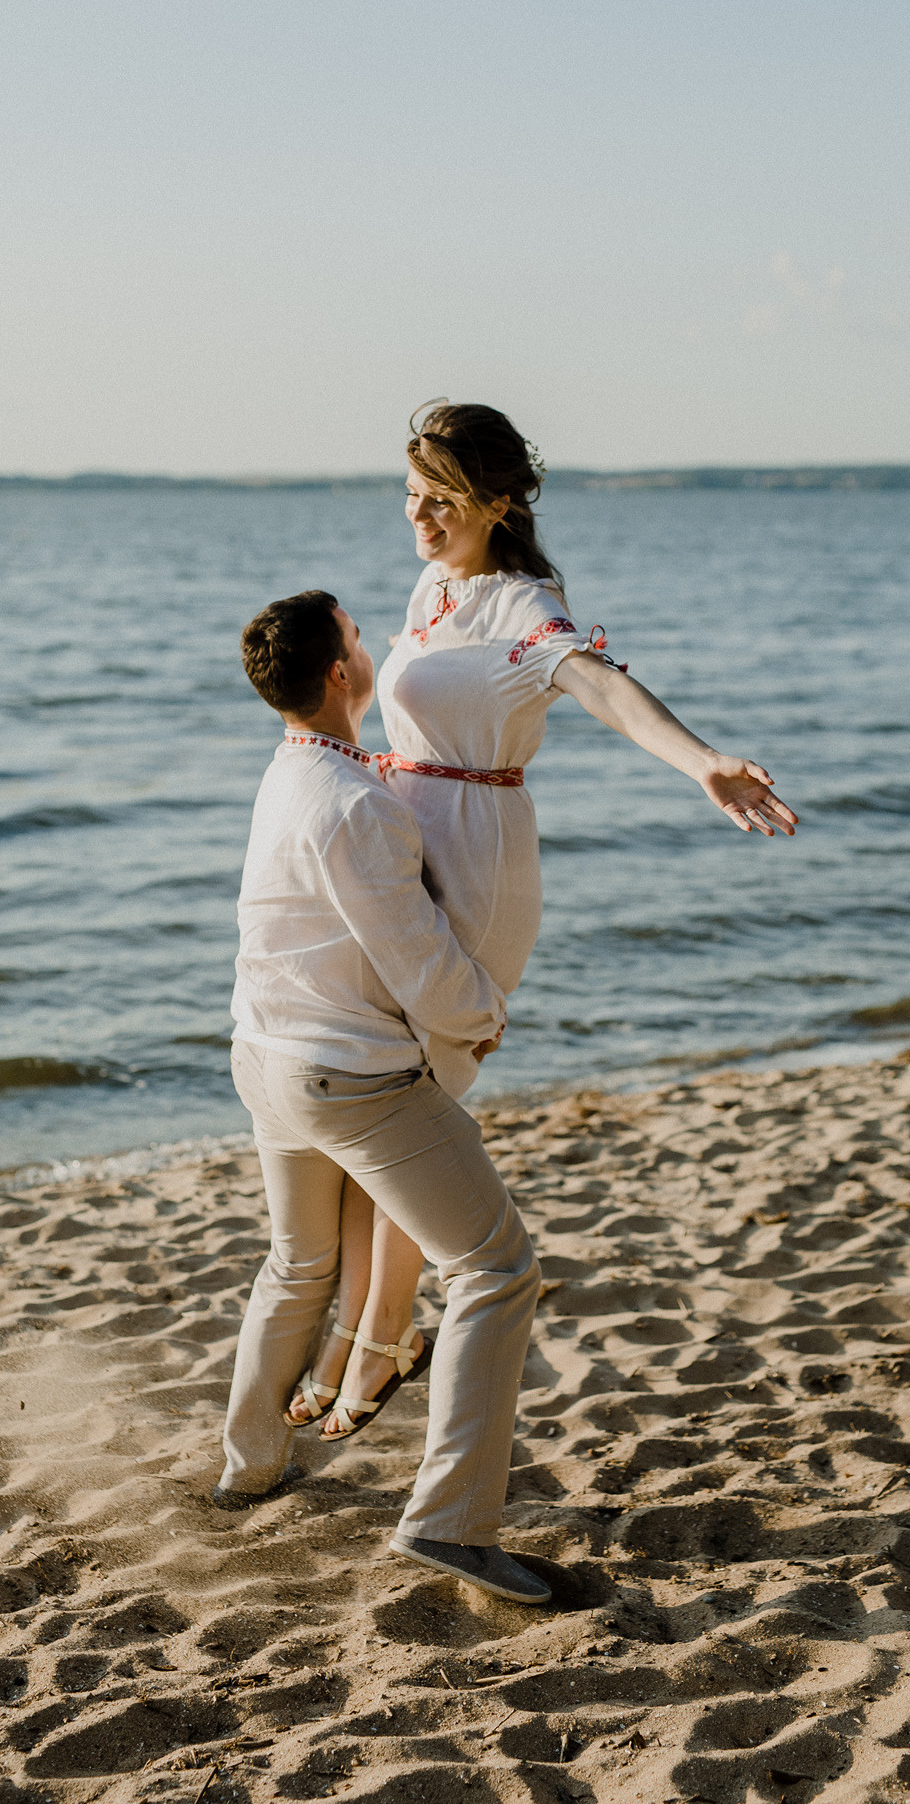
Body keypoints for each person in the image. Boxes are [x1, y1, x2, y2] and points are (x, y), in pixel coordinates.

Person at [288, 401, 800, 1439]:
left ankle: (381, 1341)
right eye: (409, 497)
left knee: (403, 1118)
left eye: (440, 500)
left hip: (473, 865)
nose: (418, 518)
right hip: (402, 849)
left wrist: (700, 759)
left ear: (496, 502)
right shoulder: (434, 581)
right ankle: (360, 1333)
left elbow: (605, 691)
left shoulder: (525, 605)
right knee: (373, 1123)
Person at [220, 587, 550, 1604]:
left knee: (298, 1262)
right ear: (337, 674)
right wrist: (479, 1015)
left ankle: (247, 1468)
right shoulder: (356, 805)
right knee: (496, 1268)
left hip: (264, 1057)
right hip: (345, 1079)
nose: (371, 649)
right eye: (360, 639)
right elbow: (414, 959)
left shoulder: (289, 775)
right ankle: (449, 1527)